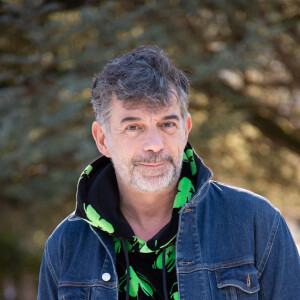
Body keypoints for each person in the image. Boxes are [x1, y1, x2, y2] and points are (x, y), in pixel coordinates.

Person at [38, 46, 300, 300]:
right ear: (103, 139)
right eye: (133, 127)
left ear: (186, 129)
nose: (155, 144)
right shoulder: (65, 246)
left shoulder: (256, 222)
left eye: (167, 124)